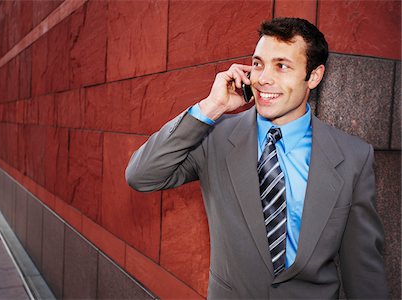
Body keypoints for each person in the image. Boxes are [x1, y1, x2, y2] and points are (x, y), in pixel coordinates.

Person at [125, 17, 388, 299]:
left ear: (314, 75)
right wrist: (212, 107)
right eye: (258, 63)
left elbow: (363, 272)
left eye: (282, 66)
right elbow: (142, 175)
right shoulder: (214, 138)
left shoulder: (353, 157)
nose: (263, 78)